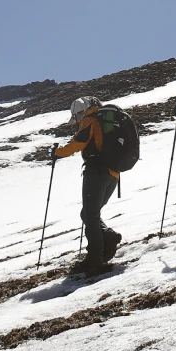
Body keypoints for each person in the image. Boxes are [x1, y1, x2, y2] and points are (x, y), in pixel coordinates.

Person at [54, 96, 122, 273]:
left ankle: (94, 259)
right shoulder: (107, 120)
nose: (76, 121)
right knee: (89, 213)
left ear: (81, 112)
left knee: (90, 215)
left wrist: (57, 153)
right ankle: (108, 237)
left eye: (76, 117)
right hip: (113, 174)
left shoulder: (90, 120)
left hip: (96, 172)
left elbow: (78, 143)